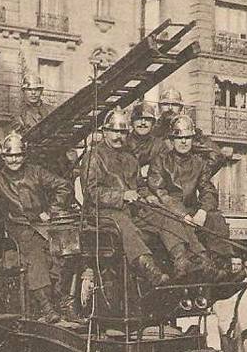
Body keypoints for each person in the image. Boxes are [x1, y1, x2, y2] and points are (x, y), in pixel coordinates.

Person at [83, 108, 215, 285]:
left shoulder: (129, 157)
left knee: (165, 214)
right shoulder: (94, 156)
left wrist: (148, 195)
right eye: (114, 131)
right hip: (102, 212)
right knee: (123, 223)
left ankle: (183, 261)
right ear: (105, 132)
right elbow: (91, 192)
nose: (118, 136)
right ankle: (149, 269)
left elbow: (140, 185)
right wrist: (122, 195)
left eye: (122, 132)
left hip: (132, 208)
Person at [0, 131, 75, 324]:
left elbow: (64, 186)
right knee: (34, 254)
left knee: (69, 251)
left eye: (18, 155)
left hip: (44, 225)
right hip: (18, 229)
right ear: (3, 157)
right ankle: (46, 307)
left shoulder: (36, 172)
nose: (14, 160)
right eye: (9, 156)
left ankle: (63, 300)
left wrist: (52, 210)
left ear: (24, 156)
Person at [147, 114, 235, 278]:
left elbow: (207, 188)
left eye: (188, 138)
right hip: (167, 210)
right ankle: (195, 263)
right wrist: (183, 214)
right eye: (179, 138)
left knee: (216, 219)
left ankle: (222, 264)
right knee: (176, 222)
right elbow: (160, 192)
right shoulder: (160, 160)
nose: (184, 142)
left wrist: (203, 210)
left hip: (192, 209)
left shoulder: (199, 162)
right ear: (172, 140)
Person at [127, 102, 160, 169]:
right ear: (132, 122)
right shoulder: (123, 143)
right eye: (139, 119)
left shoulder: (159, 145)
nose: (143, 123)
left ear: (153, 123)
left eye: (147, 119)